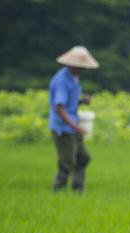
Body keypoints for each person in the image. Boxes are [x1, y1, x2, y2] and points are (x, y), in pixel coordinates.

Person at [49, 46, 99, 192]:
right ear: (73, 65)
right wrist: (75, 126)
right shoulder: (62, 81)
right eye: (82, 67)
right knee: (67, 163)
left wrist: (82, 101)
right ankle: (58, 191)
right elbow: (59, 107)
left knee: (83, 158)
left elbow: (68, 103)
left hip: (72, 125)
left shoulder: (73, 78)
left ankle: (78, 190)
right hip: (63, 129)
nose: (84, 70)